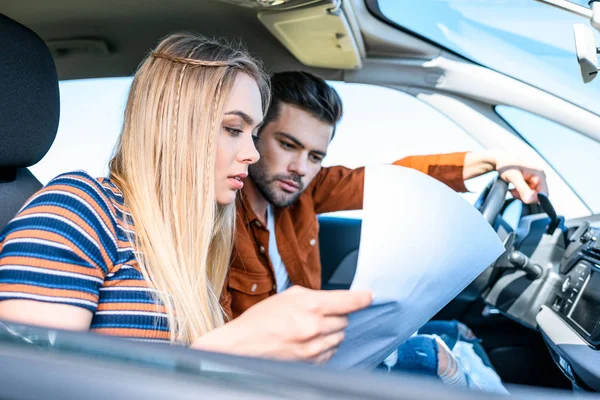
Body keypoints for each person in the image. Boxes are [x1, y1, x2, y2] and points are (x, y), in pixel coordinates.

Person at [0, 34, 372, 364]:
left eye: (253, 134)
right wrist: (227, 355)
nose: (252, 154)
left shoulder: (196, 243)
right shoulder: (77, 211)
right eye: (233, 129)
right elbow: (30, 383)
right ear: (174, 126)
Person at [220, 71, 548, 390]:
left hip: (321, 349)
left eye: (316, 156)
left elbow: (396, 181)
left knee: (458, 331)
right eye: (288, 145)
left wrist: (493, 160)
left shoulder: (305, 189)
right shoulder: (219, 220)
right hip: (277, 379)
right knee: (435, 355)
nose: (301, 168)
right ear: (255, 135)